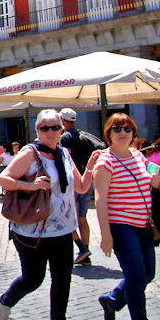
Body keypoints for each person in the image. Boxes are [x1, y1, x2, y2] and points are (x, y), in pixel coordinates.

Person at [0, 109, 96, 320]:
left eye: (54, 127)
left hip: (63, 229)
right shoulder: (30, 153)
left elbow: (80, 187)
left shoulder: (64, 154)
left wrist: (90, 167)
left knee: (62, 278)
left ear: (62, 129)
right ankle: (4, 301)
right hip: (32, 230)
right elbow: (4, 179)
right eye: (44, 128)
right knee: (33, 279)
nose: (50, 132)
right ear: (37, 130)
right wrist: (31, 185)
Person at [94, 113, 160, 320]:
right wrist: (106, 235)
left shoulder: (137, 155)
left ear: (133, 133)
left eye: (127, 129)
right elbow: (100, 199)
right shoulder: (106, 162)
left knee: (147, 274)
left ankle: (112, 300)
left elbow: (152, 173)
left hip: (144, 223)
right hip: (121, 226)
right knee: (135, 277)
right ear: (109, 134)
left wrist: (157, 175)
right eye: (117, 129)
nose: (123, 133)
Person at [59, 108, 97, 266]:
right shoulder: (83, 136)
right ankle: (85, 252)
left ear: (62, 121)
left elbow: (65, 160)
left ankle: (82, 248)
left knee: (67, 218)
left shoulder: (65, 137)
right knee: (82, 218)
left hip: (72, 182)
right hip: (86, 180)